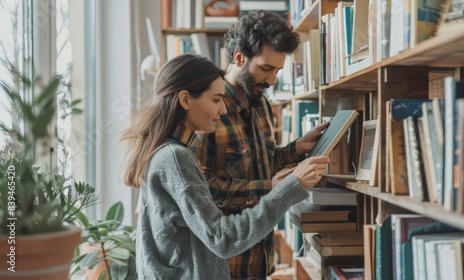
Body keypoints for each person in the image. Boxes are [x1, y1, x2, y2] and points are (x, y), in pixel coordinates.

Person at [120, 54, 329, 279]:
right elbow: (223, 239)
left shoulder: (167, 151)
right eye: (216, 100)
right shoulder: (175, 159)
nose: (223, 110)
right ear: (186, 100)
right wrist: (289, 188)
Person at [190, 10, 330, 279]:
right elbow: (200, 189)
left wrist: (298, 147)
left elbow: (265, 161)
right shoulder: (207, 110)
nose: (272, 80)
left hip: (260, 259)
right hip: (224, 264)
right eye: (266, 68)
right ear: (240, 57)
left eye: (277, 70)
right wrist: (273, 188)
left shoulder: (261, 104)